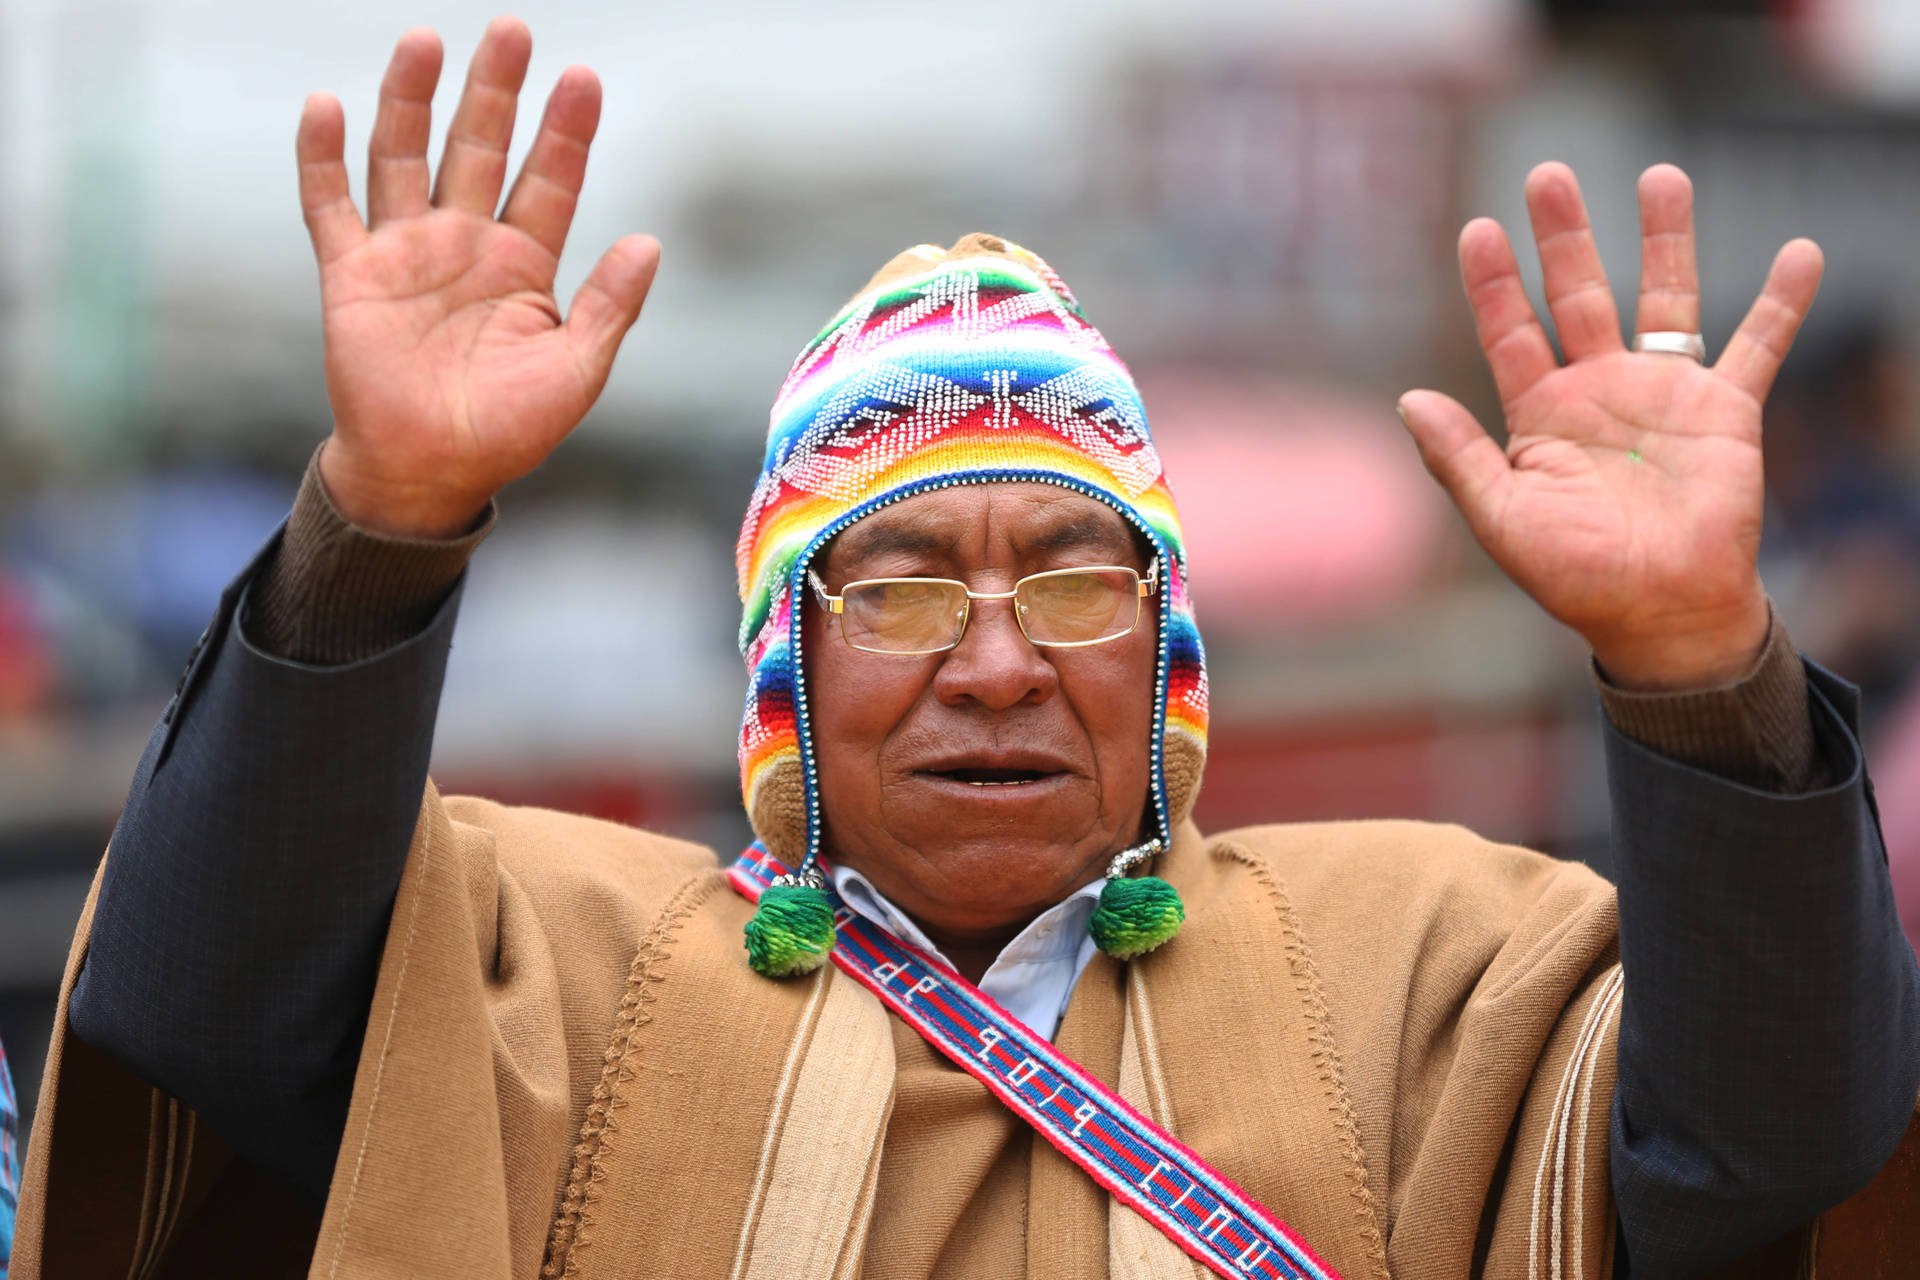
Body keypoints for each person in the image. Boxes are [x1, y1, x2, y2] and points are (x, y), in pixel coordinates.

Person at [13, 19, 1919, 1280]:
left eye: (1078, 580)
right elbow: (200, 1013)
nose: (998, 662)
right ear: (784, 668)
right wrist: (382, 519)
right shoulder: (555, 976)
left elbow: (1774, 1152)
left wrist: (1696, 658)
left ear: (1167, 650)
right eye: (905, 585)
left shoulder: (1420, 975)